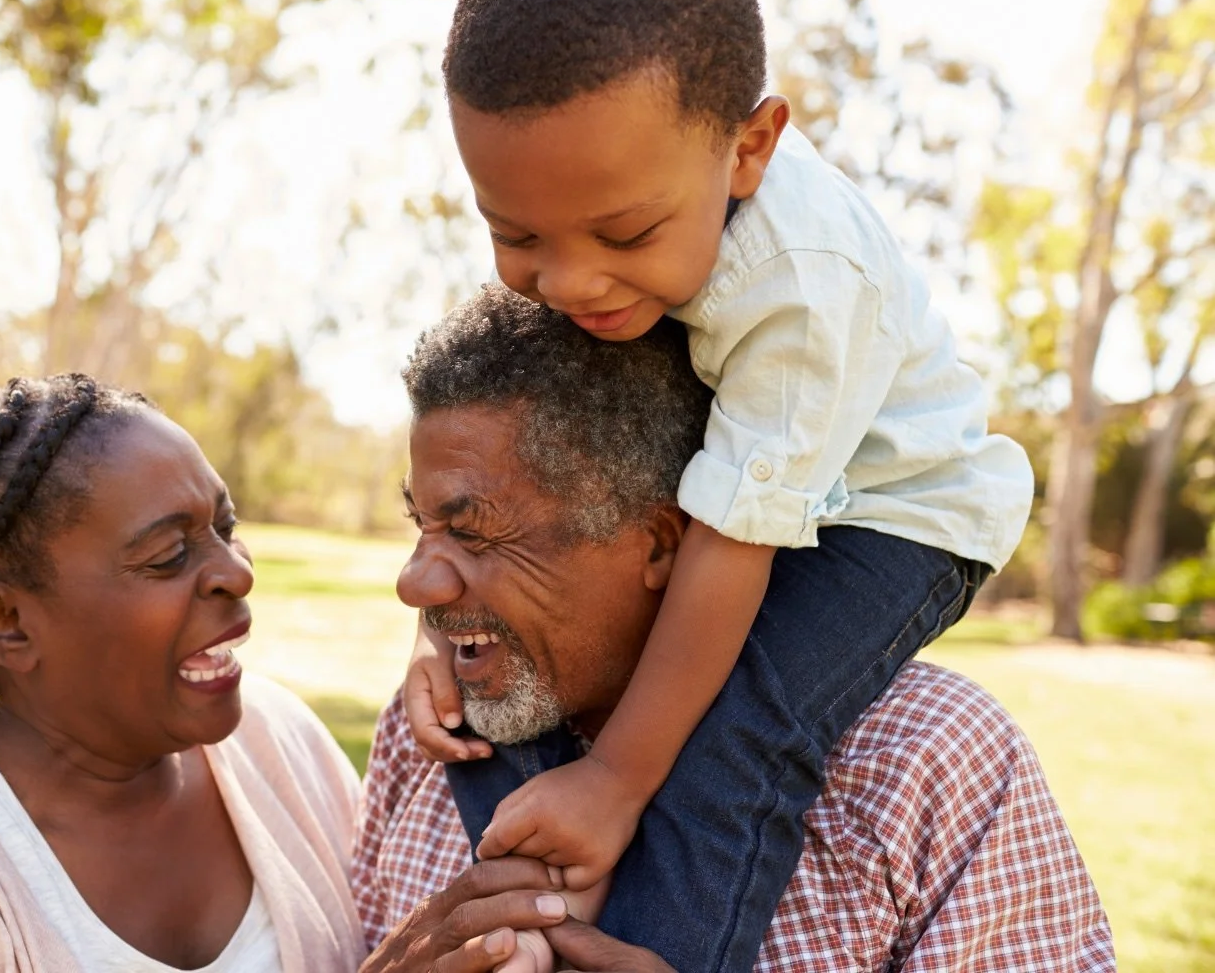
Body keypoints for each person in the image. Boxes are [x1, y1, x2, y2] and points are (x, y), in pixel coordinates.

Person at [402, 0, 1037, 972]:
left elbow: (728, 548)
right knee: (510, 703)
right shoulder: (628, 211)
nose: (566, 282)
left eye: (622, 234)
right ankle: (538, 928)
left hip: (893, 514)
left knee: (740, 729)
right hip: (752, 493)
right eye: (514, 235)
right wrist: (450, 632)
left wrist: (614, 784)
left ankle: (662, 951)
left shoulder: (796, 290)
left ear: (748, 148)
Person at [359, 286, 1113, 973]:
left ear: (661, 542)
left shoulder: (927, 762)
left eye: (475, 533)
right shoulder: (426, 729)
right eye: (419, 525)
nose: (412, 583)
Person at [0, 374, 364, 973]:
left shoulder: (281, 739)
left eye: (225, 529)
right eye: (168, 555)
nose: (236, 572)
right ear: (4, 621)